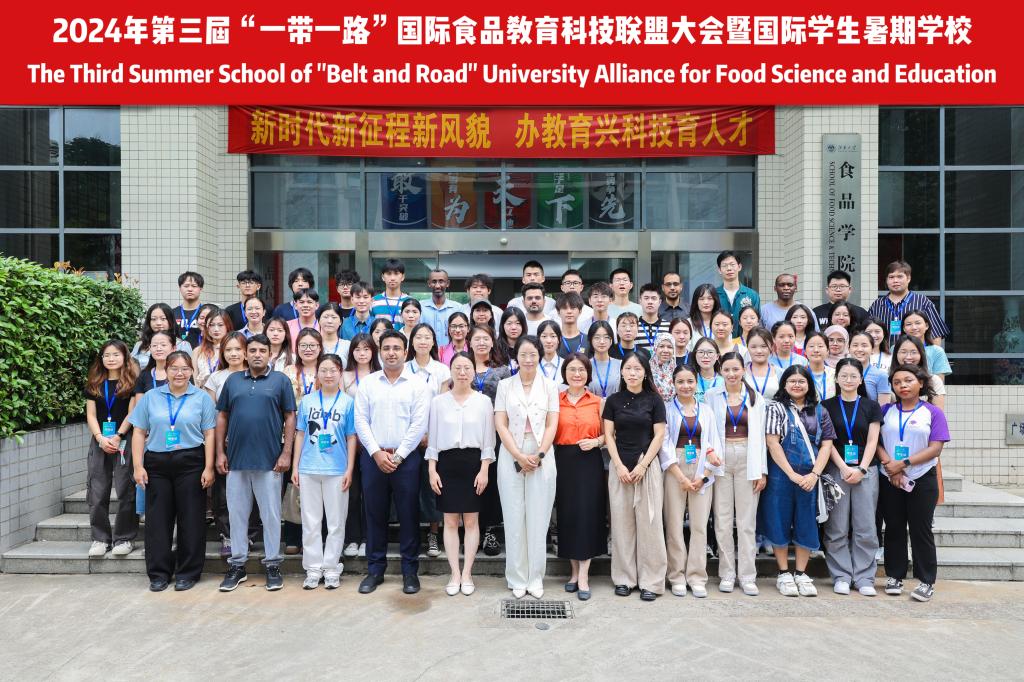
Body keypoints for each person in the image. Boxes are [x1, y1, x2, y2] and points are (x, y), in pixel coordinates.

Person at [216, 334, 297, 593]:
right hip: (236, 461)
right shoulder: (232, 381)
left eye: (262, 350)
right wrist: (219, 453)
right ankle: (238, 565)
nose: (257, 354)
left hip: (270, 461)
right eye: (252, 350)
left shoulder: (280, 381)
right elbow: (222, 417)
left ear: (270, 354)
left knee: (270, 515)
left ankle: (272, 565)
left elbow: (290, 417)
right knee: (237, 515)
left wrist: (286, 454)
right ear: (245, 353)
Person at [130, 350, 216, 592]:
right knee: (158, 520)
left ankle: (188, 572)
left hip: (191, 461)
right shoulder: (150, 397)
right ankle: (159, 573)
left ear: (192, 371)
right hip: (157, 463)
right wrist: (138, 466)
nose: (180, 373)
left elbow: (210, 434)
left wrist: (209, 467)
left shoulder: (201, 398)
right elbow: (139, 432)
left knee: (191, 519)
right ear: (165, 371)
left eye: (185, 369)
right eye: (174, 368)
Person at [354, 330, 432, 595]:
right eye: (386, 348)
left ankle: (410, 572)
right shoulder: (368, 383)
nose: (391, 353)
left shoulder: (417, 385)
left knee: (409, 514)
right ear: (380, 352)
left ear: (405, 352)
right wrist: (376, 453)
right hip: (373, 458)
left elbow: (419, 424)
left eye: (396, 348)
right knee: (374, 514)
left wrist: (398, 456)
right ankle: (375, 570)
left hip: (406, 459)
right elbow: (361, 420)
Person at [876, 364, 950, 602]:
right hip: (889, 477)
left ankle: (926, 581)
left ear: (921, 383)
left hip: (922, 477)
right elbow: (875, 441)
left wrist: (903, 464)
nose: (903, 386)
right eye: (897, 382)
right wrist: (890, 465)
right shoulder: (885, 410)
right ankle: (894, 575)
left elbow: (935, 447)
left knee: (921, 529)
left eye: (908, 381)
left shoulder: (932, 412)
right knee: (894, 527)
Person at [494, 336, 560, 599]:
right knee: (513, 517)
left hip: (542, 452)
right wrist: (519, 455)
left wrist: (539, 454)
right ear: (516, 357)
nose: (528, 359)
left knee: (538, 517)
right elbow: (500, 423)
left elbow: (552, 423)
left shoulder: (550, 386)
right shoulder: (505, 386)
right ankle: (516, 577)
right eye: (523, 354)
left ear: (540, 356)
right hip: (511, 450)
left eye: (533, 354)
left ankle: (535, 577)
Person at [763, 365, 837, 597]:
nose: (797, 385)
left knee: (807, 522)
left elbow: (826, 445)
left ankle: (802, 573)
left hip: (810, 476)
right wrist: (791, 474)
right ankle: (783, 573)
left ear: (809, 384)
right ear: (784, 384)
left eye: (801, 381)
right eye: (792, 381)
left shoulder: (820, 411)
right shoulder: (775, 408)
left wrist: (814, 474)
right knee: (778, 520)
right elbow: (772, 443)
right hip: (780, 475)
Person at [427, 352, 496, 596]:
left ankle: (467, 573)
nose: (463, 372)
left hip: (474, 464)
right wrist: (432, 470)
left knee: (471, 521)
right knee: (450, 521)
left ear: (473, 372)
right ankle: (454, 573)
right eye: (458, 367)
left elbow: (489, 440)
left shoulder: (483, 402)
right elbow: (433, 440)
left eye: (467, 367)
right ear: (451, 371)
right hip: (446, 464)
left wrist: (485, 469)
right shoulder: (438, 402)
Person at [603, 352, 668, 601]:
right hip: (620, 467)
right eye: (628, 368)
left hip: (646, 466)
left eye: (637, 369)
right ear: (622, 372)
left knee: (650, 524)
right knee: (622, 524)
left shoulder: (654, 400)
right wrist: (619, 466)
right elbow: (609, 436)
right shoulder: (613, 401)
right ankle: (624, 578)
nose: (632, 373)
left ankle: (651, 581)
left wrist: (643, 466)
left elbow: (659, 435)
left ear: (645, 372)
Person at [292, 354, 357, 590]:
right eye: (323, 370)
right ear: (317, 373)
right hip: (309, 467)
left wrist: (349, 468)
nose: (328, 375)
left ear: (340, 373)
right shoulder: (307, 401)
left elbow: (351, 437)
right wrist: (295, 466)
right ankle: (313, 567)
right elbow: (300, 433)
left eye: (333, 370)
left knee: (336, 521)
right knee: (310, 521)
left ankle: (331, 567)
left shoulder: (348, 402)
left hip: (337, 469)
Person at [705, 353, 768, 595]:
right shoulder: (712, 396)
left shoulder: (755, 398)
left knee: (746, 522)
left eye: (736, 369)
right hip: (720, 459)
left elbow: (761, 437)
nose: (731, 374)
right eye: (727, 370)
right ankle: (727, 573)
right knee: (722, 520)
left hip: (748, 457)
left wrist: (761, 470)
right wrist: (709, 455)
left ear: (744, 370)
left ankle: (748, 576)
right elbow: (707, 430)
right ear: (720, 371)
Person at [822, 358, 883, 596]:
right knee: (836, 526)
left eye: (853, 376)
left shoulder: (871, 406)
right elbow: (827, 441)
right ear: (836, 378)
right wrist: (843, 467)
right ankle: (841, 575)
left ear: (861, 379)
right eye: (844, 375)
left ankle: (864, 577)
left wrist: (862, 469)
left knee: (865, 525)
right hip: (836, 470)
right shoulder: (826, 406)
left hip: (866, 471)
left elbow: (873, 441)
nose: (848, 380)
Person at [662, 363, 724, 598]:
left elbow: (714, 442)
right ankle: (676, 575)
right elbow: (664, 444)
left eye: (690, 381)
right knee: (674, 524)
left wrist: (704, 475)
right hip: (674, 468)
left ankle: (697, 576)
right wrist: (679, 476)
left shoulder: (706, 410)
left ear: (696, 383)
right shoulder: (667, 410)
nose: (685, 386)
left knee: (699, 526)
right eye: (680, 382)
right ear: (673, 384)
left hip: (701, 466)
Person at [554, 354, 607, 601]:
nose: (577, 374)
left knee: (587, 515)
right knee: (568, 515)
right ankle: (573, 572)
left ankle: (584, 575)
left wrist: (596, 442)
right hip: (563, 461)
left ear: (588, 373)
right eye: (572, 370)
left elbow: (609, 435)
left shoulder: (598, 402)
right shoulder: (556, 401)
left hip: (589, 461)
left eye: (582, 370)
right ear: (565, 373)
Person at [84, 340, 139, 558]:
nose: (111, 359)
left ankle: (124, 538)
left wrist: (118, 436)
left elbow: (132, 413)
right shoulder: (94, 383)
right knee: (97, 491)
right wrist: (99, 437)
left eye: (116, 354)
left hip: (124, 440)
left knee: (126, 490)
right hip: (99, 442)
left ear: (125, 357)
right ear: (101, 359)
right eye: (107, 355)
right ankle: (100, 538)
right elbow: (90, 415)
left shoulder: (132, 383)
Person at [467, 324, 512, 557]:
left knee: (492, 482)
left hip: (496, 433)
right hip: (468, 433)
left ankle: (491, 531)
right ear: (470, 342)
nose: (482, 342)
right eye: (477, 339)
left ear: (492, 342)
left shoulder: (503, 371)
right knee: (471, 481)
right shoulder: (462, 366)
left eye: (486, 338)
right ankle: (471, 530)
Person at [203, 331, 248, 556]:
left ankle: (248, 534)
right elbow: (211, 414)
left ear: (246, 352)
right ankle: (228, 535)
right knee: (224, 491)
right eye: (228, 349)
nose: (233, 353)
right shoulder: (216, 378)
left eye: (238, 349)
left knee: (251, 489)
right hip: (225, 441)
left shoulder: (256, 374)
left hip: (251, 441)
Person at [340, 333, 379, 559]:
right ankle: (353, 538)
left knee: (371, 492)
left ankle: (368, 538)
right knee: (352, 493)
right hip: (350, 440)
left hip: (374, 442)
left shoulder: (380, 375)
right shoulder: (344, 376)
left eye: (366, 349)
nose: (362, 353)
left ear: (373, 351)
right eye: (357, 349)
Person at [868, 260, 950, 346]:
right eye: (891, 277)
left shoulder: (922, 301)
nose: (895, 280)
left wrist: (933, 354)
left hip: (914, 353)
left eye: (900, 276)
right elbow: (868, 334)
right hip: (885, 353)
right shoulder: (877, 305)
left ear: (908, 278)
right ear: (886, 280)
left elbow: (936, 334)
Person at [891, 336, 946, 410]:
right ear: (896, 354)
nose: (908, 357)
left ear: (921, 354)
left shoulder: (933, 380)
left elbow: (939, 413)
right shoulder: (887, 379)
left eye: (914, 352)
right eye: (903, 352)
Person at [131, 303, 191, 368]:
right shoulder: (140, 345)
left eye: (163, 319)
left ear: (171, 321)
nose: (158, 323)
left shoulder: (182, 345)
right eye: (154, 319)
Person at [901, 310, 953, 380]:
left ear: (926, 326)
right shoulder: (895, 348)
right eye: (908, 324)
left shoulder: (937, 351)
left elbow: (939, 382)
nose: (914, 327)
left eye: (918, 323)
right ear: (904, 329)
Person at [715, 251, 760, 330]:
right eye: (725, 265)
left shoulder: (752, 295)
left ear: (739, 267)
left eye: (732, 264)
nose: (729, 268)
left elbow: (756, 323)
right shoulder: (714, 295)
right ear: (719, 270)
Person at [848, 331, 892, 404]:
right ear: (849, 349)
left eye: (864, 346)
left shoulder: (881, 376)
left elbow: (883, 408)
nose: (859, 349)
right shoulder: (841, 373)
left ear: (872, 350)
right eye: (855, 345)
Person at [193, 310, 232, 390]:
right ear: (206, 327)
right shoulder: (198, 351)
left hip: (225, 392)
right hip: (202, 393)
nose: (216, 329)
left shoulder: (233, 350)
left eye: (220, 325)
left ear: (227, 326)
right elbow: (195, 380)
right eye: (211, 325)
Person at [420, 269, 461, 346]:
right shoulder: (420, 307)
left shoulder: (457, 308)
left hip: (451, 352)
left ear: (447, 283)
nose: (437, 286)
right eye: (434, 282)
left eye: (441, 281)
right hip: (426, 352)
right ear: (429, 284)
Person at [285, 328, 323, 405]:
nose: (308, 349)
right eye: (303, 345)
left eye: (312, 345)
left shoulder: (326, 371)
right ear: (297, 348)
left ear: (320, 348)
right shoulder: (288, 371)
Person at [587, 320, 621, 398]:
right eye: (597, 337)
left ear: (611, 340)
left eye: (606, 337)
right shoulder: (585, 365)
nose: (602, 341)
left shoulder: (620, 364)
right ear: (591, 340)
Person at [371, 258, 412, 323]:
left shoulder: (410, 301)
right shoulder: (373, 301)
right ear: (383, 277)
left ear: (403, 277)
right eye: (389, 274)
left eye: (396, 273)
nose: (392, 278)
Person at [134, 331, 175, 395]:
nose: (158, 348)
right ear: (150, 348)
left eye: (163, 345)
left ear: (173, 348)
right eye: (154, 345)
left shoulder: (182, 373)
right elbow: (140, 401)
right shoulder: (143, 375)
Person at [746, 328, 781, 399]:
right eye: (753, 347)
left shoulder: (780, 373)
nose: (759, 351)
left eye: (764, 346)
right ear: (747, 347)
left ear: (771, 347)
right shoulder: (741, 372)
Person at [173, 271, 205, 348]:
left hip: (202, 353)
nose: (190, 289)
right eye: (186, 286)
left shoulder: (207, 312)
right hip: (177, 354)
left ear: (200, 289)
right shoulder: (172, 313)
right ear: (180, 288)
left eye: (194, 286)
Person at [636, 283, 670, 353]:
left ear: (660, 302)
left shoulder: (668, 326)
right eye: (646, 298)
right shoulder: (634, 326)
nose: (650, 302)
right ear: (640, 301)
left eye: (654, 298)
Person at [804, 331, 836, 401]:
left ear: (827, 351)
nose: (816, 350)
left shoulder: (835, 374)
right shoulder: (800, 374)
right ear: (805, 351)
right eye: (811, 346)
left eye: (820, 346)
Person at [555, 293, 589, 357]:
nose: (569, 311)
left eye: (573, 308)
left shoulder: (588, 340)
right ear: (558, 312)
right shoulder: (553, 340)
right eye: (565, 308)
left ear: (580, 311)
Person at [691, 337, 723, 403]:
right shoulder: (690, 379)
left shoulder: (724, 380)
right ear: (695, 355)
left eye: (710, 352)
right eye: (701, 352)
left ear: (717, 356)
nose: (705, 356)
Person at [650, 333, 678, 401]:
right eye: (661, 346)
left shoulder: (677, 370)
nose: (665, 350)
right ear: (655, 348)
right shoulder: (647, 369)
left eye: (669, 347)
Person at [537, 320, 565, 387]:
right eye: (544, 336)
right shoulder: (532, 365)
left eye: (553, 336)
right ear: (538, 339)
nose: (548, 341)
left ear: (559, 339)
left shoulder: (566, 365)